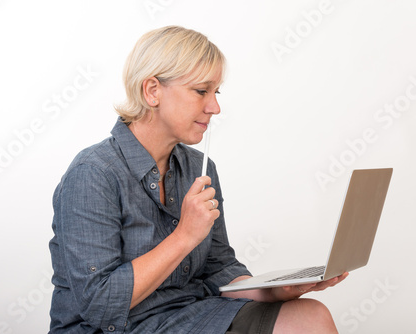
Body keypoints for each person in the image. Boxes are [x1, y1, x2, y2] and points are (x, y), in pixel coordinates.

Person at [48, 25, 348, 334]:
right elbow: (101, 305)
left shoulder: (199, 168)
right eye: (201, 91)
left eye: (215, 92)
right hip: (116, 328)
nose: (214, 107)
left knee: (310, 315)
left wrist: (276, 290)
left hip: (188, 315)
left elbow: (219, 268)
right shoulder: (92, 174)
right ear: (152, 91)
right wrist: (184, 235)